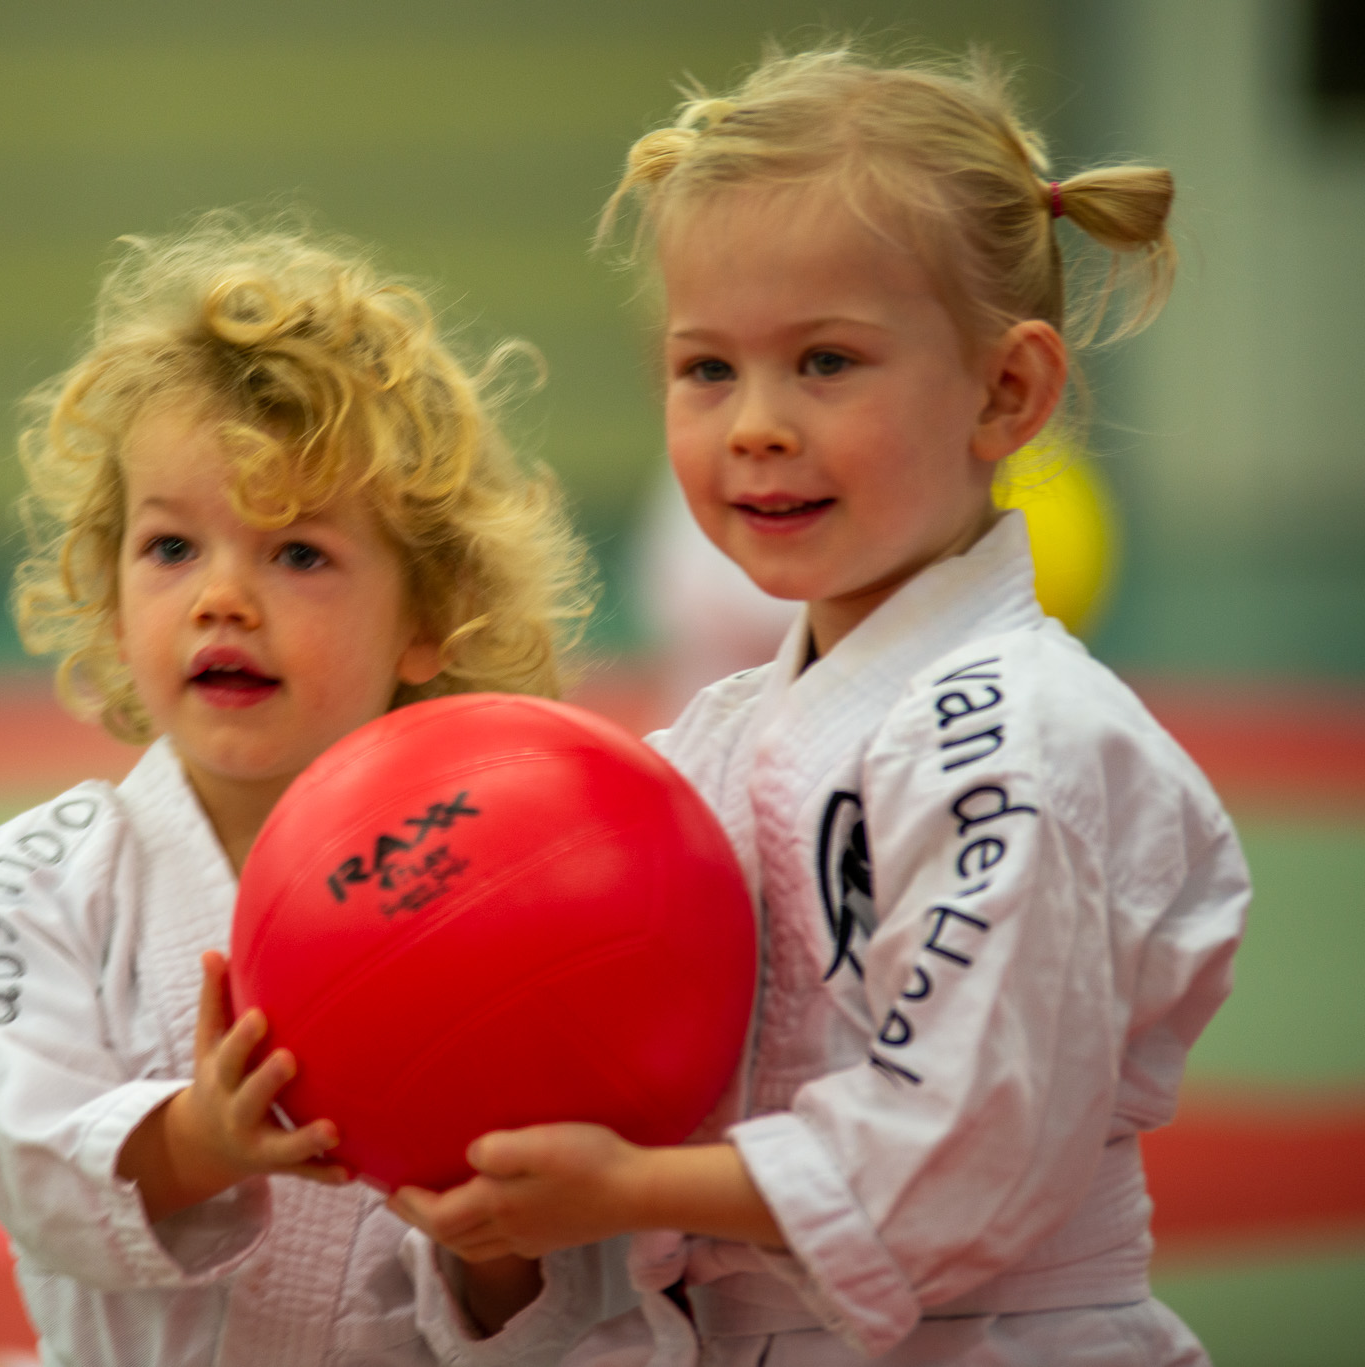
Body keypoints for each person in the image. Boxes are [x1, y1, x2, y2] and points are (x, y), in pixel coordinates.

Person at [392, 46, 1248, 1366]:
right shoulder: (722, 738)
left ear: (1006, 390)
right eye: (707, 369)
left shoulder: (1020, 745)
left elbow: (958, 1149)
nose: (757, 425)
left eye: (827, 360)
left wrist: (625, 1190)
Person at [0, 217, 596, 1367]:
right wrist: (192, 1141)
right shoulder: (23, 886)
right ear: (110, 594)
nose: (222, 597)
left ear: (426, 616)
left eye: (297, 553)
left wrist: (495, 1237)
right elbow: (5, 1128)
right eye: (171, 548)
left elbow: (557, 1286)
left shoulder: (504, 898)